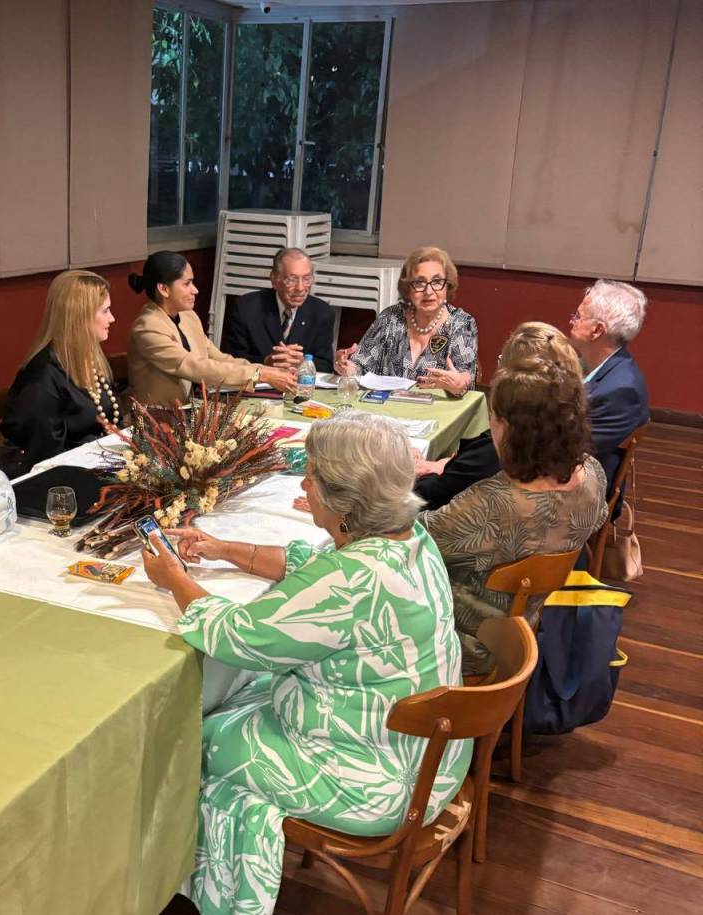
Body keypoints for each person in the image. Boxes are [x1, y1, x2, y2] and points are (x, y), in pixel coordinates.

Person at [141, 412, 470, 915]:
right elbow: (310, 567)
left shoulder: (352, 580)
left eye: (311, 476)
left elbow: (237, 636)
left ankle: (184, 891)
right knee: (239, 694)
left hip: (372, 783)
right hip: (432, 757)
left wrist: (174, 579)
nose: (303, 484)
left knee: (190, 735)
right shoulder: (411, 541)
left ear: (343, 501)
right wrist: (223, 549)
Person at [418, 338, 608, 675]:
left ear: (507, 428)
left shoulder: (492, 504)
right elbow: (596, 519)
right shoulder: (592, 474)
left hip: (465, 642)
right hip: (526, 624)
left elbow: (407, 541)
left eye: (492, 417)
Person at [413, 321, 572, 510]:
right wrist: (444, 464)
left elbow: (426, 499)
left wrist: (414, 471)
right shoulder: (565, 437)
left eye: (501, 361)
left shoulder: (500, 446)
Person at [126, 251, 296, 406]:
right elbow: (195, 366)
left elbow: (218, 359)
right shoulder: (147, 327)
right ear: (164, 289)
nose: (195, 290)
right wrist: (260, 374)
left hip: (193, 411)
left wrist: (267, 369)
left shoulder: (188, 316)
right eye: (187, 284)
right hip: (158, 419)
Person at [1, 270, 120, 476]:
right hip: (59, 479)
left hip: (94, 465)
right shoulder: (42, 377)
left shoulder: (90, 357)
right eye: (105, 311)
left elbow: (110, 420)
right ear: (80, 317)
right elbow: (47, 458)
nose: (112, 318)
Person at [335, 246, 478, 396]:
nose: (428, 291)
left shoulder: (462, 323)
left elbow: (465, 377)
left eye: (437, 282)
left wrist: (461, 383)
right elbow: (360, 367)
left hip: (438, 407)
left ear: (447, 285)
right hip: (385, 405)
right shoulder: (390, 318)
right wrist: (346, 367)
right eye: (419, 282)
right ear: (408, 288)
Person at [568, 279, 650, 500]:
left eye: (578, 316)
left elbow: (568, 450)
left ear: (597, 330)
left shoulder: (621, 391)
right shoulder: (588, 364)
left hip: (581, 497)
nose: (571, 321)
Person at [221, 247, 335, 373]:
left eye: (306, 279)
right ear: (274, 280)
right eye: (291, 280)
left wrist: (303, 362)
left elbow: (326, 365)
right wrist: (265, 362)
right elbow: (230, 359)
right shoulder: (246, 308)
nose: (300, 288)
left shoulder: (322, 313)